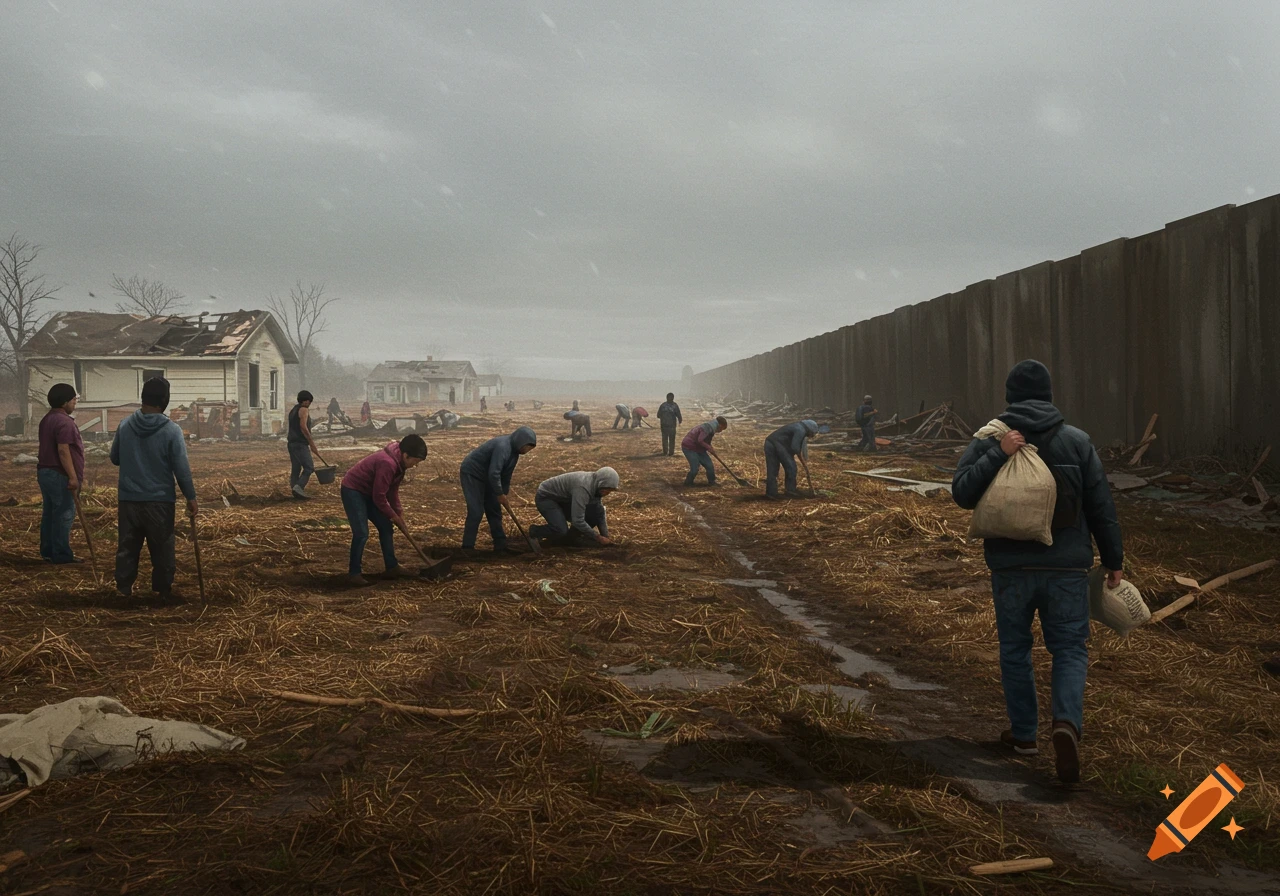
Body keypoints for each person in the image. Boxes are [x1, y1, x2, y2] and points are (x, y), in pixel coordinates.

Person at [952, 359, 1124, 784]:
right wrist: (1114, 560)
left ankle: (1025, 736)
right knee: (1069, 648)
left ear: (1009, 396)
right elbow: (1101, 506)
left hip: (1010, 568)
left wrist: (998, 453)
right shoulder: (1077, 442)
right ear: (1049, 395)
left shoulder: (990, 439)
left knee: (1015, 648)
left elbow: (962, 494)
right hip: (1066, 567)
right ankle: (1065, 724)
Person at [110, 377, 197, 602]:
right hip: (159, 501)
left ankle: (123, 589)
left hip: (128, 499)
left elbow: (115, 458)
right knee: (162, 548)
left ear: (143, 397)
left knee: (127, 546)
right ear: (164, 400)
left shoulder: (125, 425)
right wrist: (190, 496)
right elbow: (181, 468)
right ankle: (162, 590)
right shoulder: (172, 430)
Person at [340, 434, 428, 586]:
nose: (415, 465)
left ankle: (392, 567)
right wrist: (393, 515)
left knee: (386, 527)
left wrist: (399, 513)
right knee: (361, 533)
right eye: (415, 461)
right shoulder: (387, 463)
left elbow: (392, 491)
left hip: (370, 492)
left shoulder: (400, 464)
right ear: (406, 455)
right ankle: (354, 574)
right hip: (353, 490)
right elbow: (379, 497)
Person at [459, 426, 537, 553]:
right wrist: (499, 493)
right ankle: (467, 547)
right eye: (526, 446)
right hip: (473, 474)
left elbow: (506, 475)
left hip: (488, 477)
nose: (527, 450)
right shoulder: (503, 447)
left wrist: (503, 493)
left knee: (495, 509)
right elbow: (494, 473)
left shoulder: (515, 453)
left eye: (530, 448)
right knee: (476, 511)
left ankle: (500, 545)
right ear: (520, 440)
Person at [37, 383, 84, 564]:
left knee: (50, 513)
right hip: (59, 474)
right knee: (64, 513)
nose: (74, 404)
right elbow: (63, 450)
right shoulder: (64, 422)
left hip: (45, 472)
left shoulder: (47, 419)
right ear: (65, 402)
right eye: (73, 400)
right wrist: (72, 477)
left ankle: (48, 551)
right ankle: (62, 555)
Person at [528, 467, 620, 546]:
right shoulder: (583, 488)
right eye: (606, 490)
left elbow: (599, 513)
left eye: (610, 491)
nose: (607, 493)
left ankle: (570, 539)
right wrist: (597, 537)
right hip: (547, 498)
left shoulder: (596, 487)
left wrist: (606, 537)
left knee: (594, 514)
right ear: (600, 483)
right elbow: (578, 521)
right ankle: (535, 531)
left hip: (564, 499)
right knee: (561, 530)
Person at [764, 419, 819, 498]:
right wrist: (802, 460)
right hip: (779, 445)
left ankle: (771, 493)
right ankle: (790, 490)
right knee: (791, 468)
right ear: (810, 430)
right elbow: (795, 447)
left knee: (772, 470)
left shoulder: (798, 427)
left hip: (769, 443)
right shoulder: (800, 430)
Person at [288, 391, 323, 499]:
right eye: (309, 401)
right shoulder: (304, 410)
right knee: (309, 467)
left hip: (291, 443)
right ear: (306, 400)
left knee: (296, 468)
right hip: (300, 444)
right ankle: (299, 487)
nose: (310, 403)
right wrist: (311, 443)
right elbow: (303, 427)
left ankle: (295, 491)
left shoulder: (294, 409)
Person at [681, 416, 728, 486]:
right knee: (695, 468)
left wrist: (710, 448)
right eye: (722, 428)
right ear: (720, 425)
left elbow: (706, 441)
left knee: (709, 466)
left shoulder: (711, 428)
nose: (721, 431)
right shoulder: (707, 428)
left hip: (699, 449)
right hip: (689, 448)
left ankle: (712, 482)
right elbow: (700, 440)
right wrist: (708, 447)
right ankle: (688, 483)